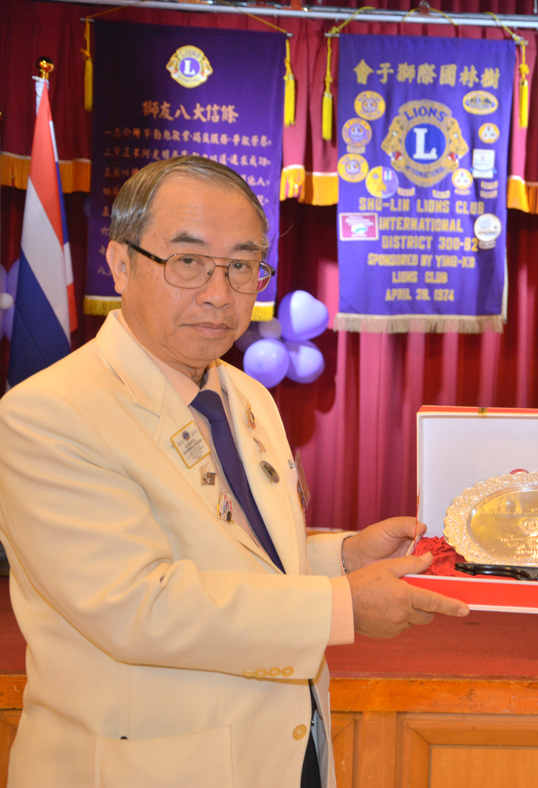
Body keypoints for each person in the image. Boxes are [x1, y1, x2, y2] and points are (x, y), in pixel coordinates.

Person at [0, 156, 469, 788]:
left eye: (242, 266)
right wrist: (343, 605)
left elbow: (235, 551)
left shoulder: (247, 394)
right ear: (121, 263)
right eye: (188, 261)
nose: (219, 294)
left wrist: (343, 558)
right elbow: (137, 606)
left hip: (283, 752)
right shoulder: (50, 412)